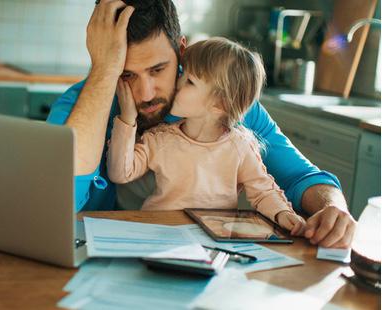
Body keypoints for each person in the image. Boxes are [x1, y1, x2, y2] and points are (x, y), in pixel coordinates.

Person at [46, 0, 355, 248]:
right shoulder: (79, 105)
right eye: (126, 74)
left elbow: (301, 175)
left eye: (158, 69)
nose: (146, 93)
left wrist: (333, 209)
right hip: (104, 258)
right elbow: (55, 203)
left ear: (182, 51)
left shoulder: (219, 103)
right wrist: (104, 70)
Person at [107, 37, 306, 235]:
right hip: (159, 233)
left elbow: (263, 192)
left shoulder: (241, 147)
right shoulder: (159, 139)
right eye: (182, 75)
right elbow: (120, 173)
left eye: (189, 81)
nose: (177, 83)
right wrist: (127, 118)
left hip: (213, 241)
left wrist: (282, 213)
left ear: (220, 105)